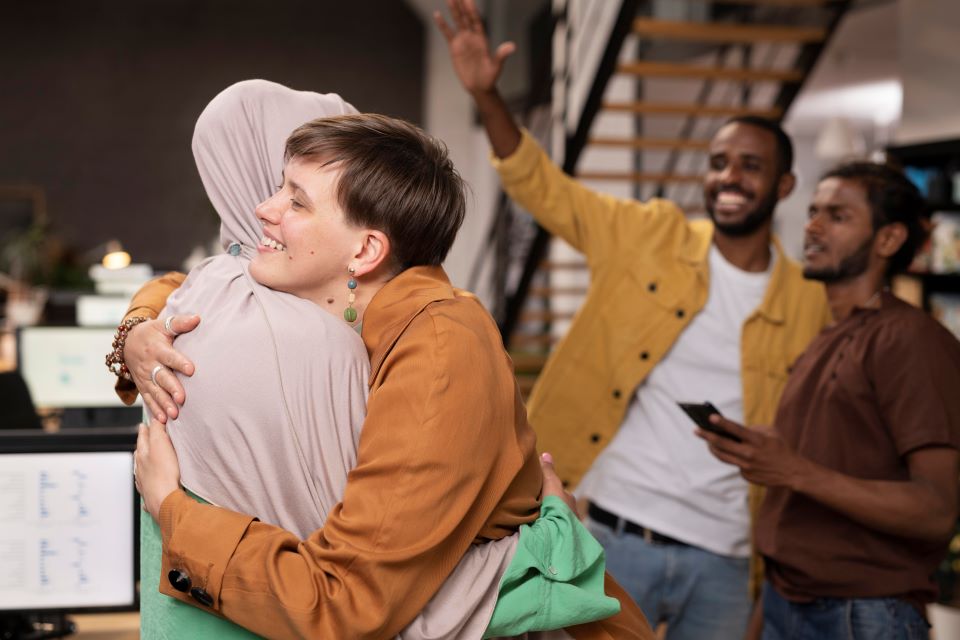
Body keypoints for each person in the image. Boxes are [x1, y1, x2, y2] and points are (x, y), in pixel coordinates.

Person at [124, 86, 653, 639]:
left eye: (296, 201)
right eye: (279, 186)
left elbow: (347, 605)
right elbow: (201, 276)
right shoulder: (342, 302)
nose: (264, 209)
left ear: (365, 252)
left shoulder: (440, 355)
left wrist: (173, 511)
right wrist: (136, 329)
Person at [434, 1, 832, 637]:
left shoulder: (810, 301)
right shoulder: (651, 235)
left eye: (750, 166)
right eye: (719, 162)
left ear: (785, 185)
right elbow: (545, 190)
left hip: (727, 557)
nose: (728, 178)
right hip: (613, 532)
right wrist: (487, 97)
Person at [698, 161, 960, 640]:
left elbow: (937, 509)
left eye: (837, 216)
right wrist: (771, 455)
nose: (813, 226)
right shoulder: (830, 334)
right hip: (787, 599)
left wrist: (793, 469)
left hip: (863, 615)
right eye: (814, 211)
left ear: (888, 240)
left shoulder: (908, 339)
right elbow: (814, 471)